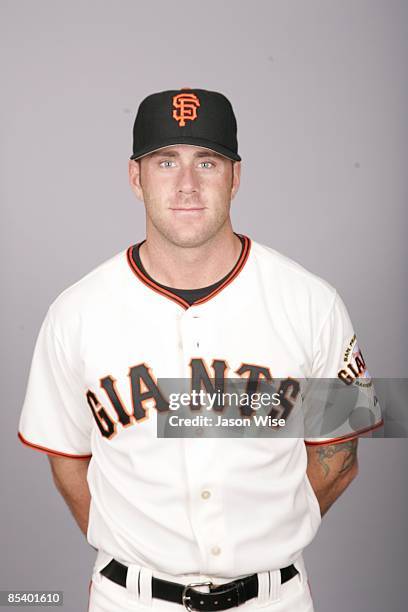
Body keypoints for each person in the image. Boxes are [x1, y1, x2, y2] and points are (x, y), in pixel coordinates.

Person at [18, 87, 383, 612]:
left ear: (235, 178)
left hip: (273, 600)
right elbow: (68, 460)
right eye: (166, 161)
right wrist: (140, 550)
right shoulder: (75, 312)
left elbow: (339, 456)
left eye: (207, 162)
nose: (187, 185)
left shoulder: (313, 302)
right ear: (134, 178)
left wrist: (267, 538)